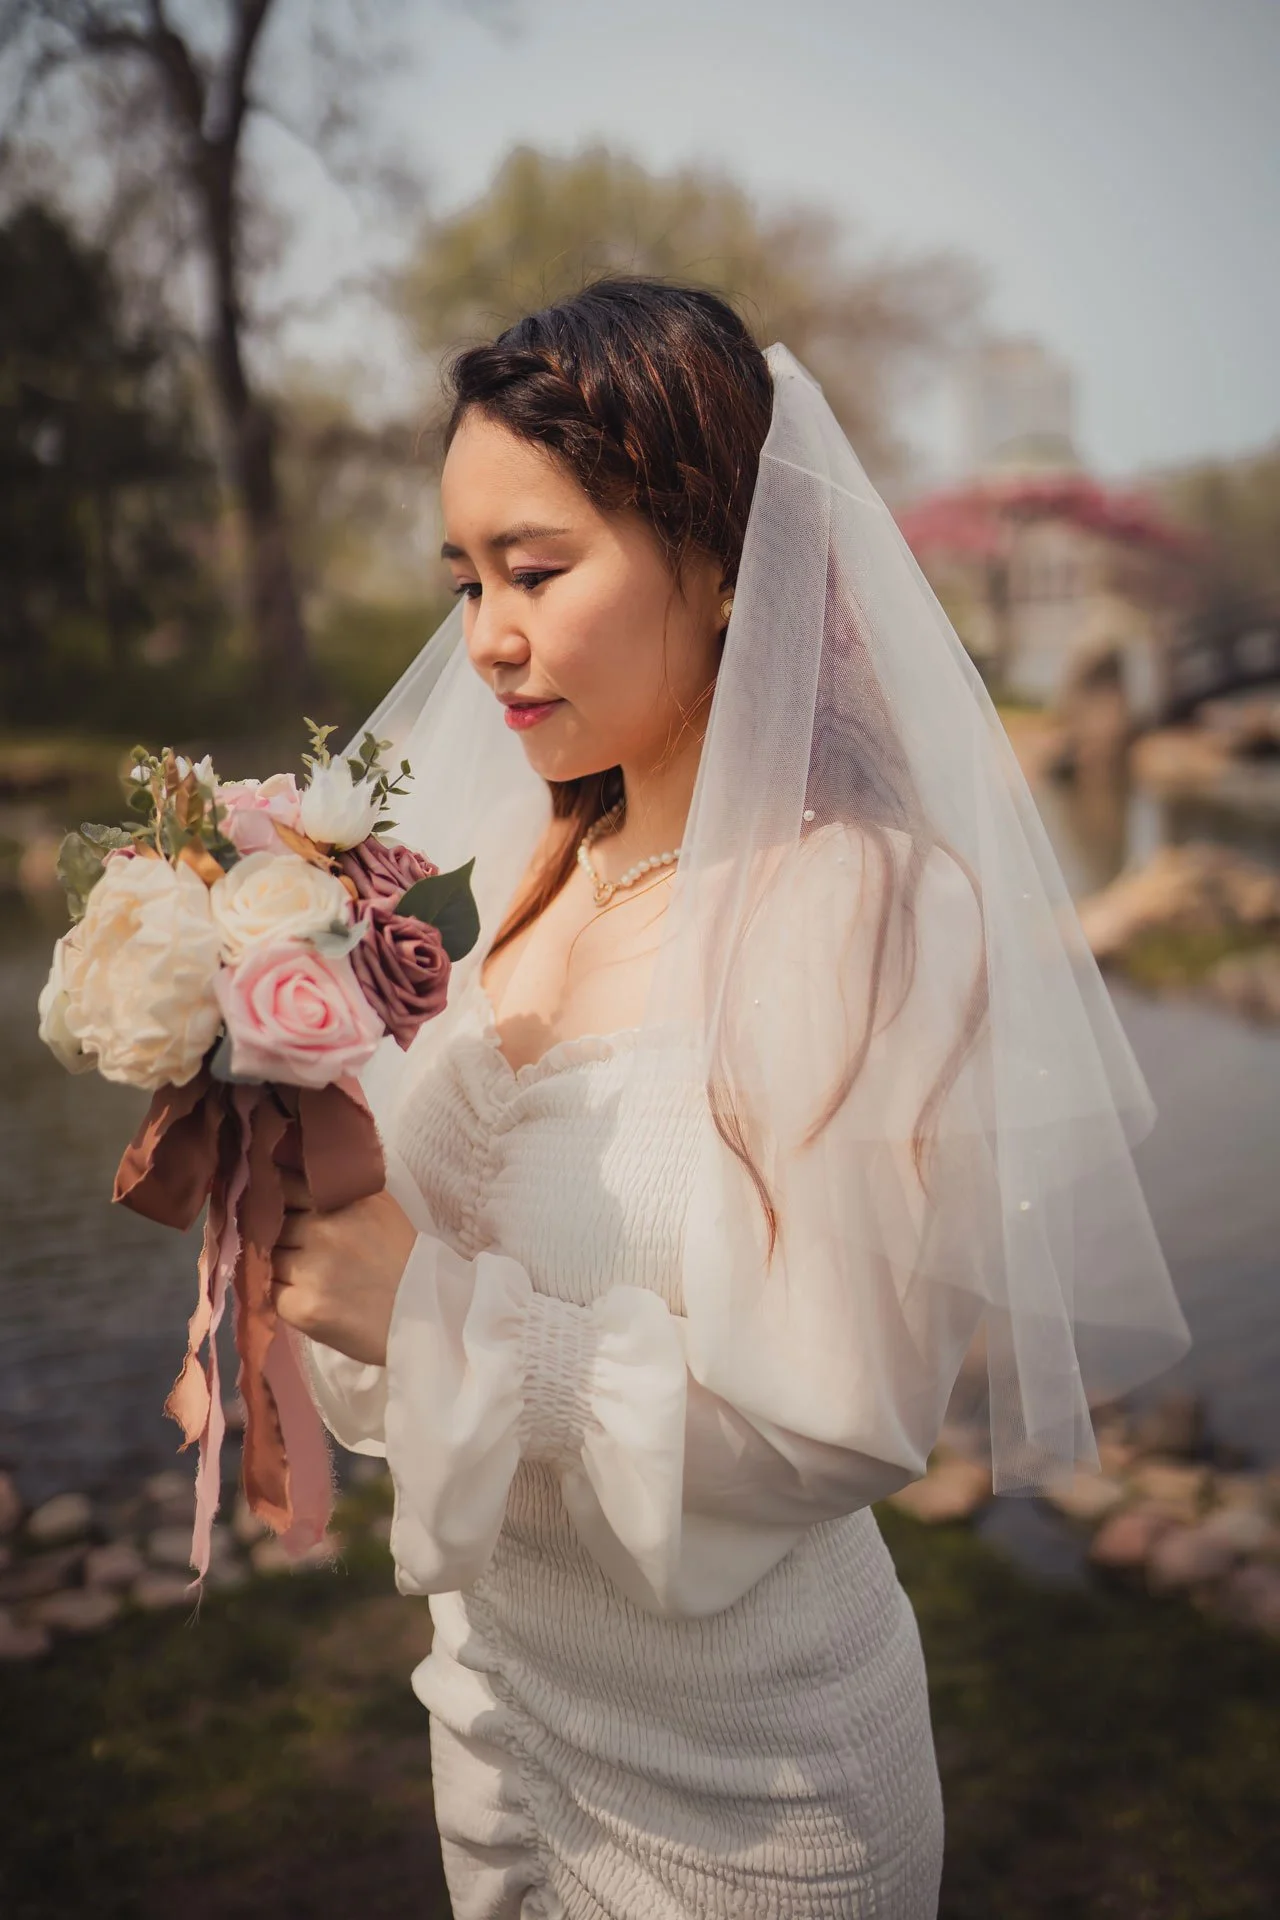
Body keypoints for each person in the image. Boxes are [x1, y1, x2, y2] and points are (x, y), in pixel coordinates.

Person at [272, 280, 1191, 1920]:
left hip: (749, 1807)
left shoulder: (859, 911)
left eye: (539, 570)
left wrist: (430, 1313)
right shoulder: (536, 876)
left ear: (716, 564)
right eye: (468, 577)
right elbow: (406, 1297)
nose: (487, 632)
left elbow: (836, 1422)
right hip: (492, 1720)